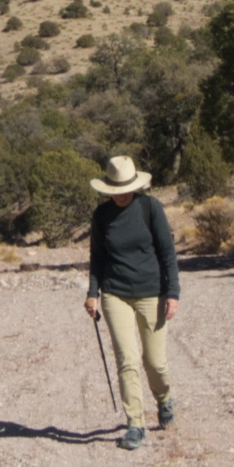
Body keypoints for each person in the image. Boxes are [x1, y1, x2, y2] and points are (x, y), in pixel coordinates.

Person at [82, 156, 179, 450]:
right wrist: (92, 293)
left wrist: (172, 292)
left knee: (154, 362)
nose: (122, 193)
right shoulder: (101, 216)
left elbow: (167, 252)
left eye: (126, 187)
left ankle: (164, 399)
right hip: (115, 294)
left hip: (152, 292)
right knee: (127, 359)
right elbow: (98, 257)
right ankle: (135, 424)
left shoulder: (150, 208)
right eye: (116, 188)